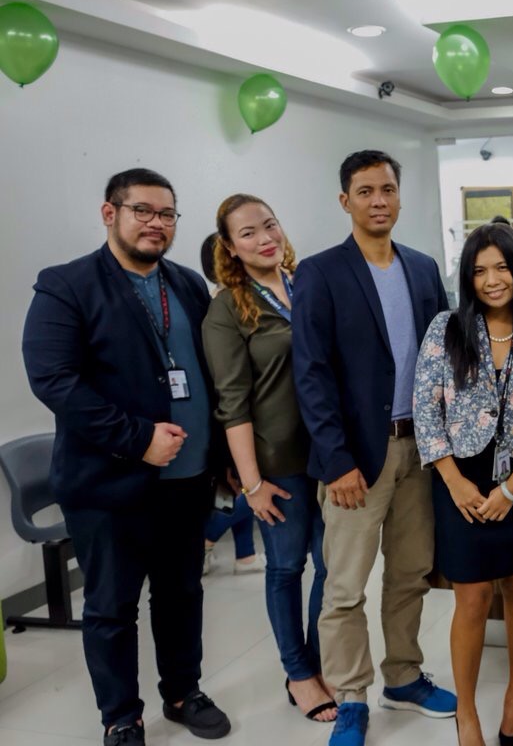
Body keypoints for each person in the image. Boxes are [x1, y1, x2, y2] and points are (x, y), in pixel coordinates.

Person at [22, 168, 232, 746]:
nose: (156, 224)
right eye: (143, 211)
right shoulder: (67, 285)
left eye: (167, 214)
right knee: (112, 608)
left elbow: (212, 377)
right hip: (108, 485)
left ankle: (183, 691)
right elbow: (54, 380)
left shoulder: (188, 284)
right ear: (109, 212)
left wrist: (224, 454)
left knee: (181, 594)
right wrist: (136, 436)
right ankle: (121, 715)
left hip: (186, 482)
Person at [292, 150, 456, 746]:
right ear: (346, 201)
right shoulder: (320, 271)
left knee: (411, 573)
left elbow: (443, 359)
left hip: (420, 448)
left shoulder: (422, 267)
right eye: (365, 191)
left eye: (387, 189)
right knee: (344, 586)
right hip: (356, 458)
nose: (378, 200)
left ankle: (404, 676)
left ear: (399, 196)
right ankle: (351, 693)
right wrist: (336, 460)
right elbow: (310, 372)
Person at [413, 222, 513, 746]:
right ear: (467, 278)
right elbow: (425, 413)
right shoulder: (445, 329)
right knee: (472, 597)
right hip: (462, 477)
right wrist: (454, 482)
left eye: (502, 267)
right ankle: (468, 713)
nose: (493, 279)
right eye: (480, 270)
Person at [201, 194, 335, 722]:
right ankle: (298, 673)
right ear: (230, 248)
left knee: (333, 566)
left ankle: (322, 661)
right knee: (286, 565)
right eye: (249, 233)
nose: (265, 238)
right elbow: (232, 402)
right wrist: (251, 485)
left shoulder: (308, 284)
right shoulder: (228, 308)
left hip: (330, 454)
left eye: (270, 225)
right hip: (277, 462)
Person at [197, 231, 265, 577]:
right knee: (249, 488)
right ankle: (207, 540)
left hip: (246, 412)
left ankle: (245, 556)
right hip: (233, 416)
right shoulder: (223, 305)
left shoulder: (247, 297)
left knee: (237, 485)